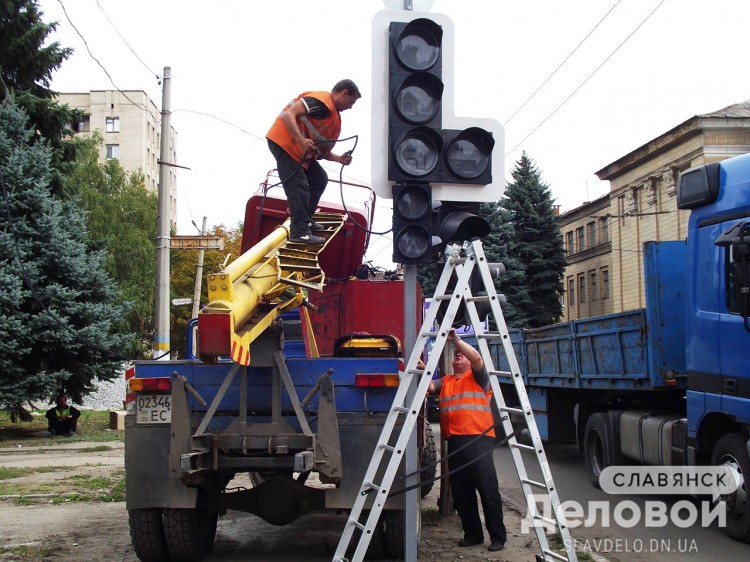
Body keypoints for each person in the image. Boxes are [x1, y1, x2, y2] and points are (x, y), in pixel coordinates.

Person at [428, 329, 507, 552]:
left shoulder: (478, 377)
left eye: (461, 354)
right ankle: (473, 534)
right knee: (462, 493)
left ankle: (498, 537)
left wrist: (456, 341)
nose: (458, 356)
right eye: (455, 355)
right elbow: (428, 387)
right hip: (454, 442)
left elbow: (478, 358)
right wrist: (420, 369)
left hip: (478, 441)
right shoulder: (446, 381)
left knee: (487, 489)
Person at [266, 79, 361, 244]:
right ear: (344, 92)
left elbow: (321, 151)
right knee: (299, 185)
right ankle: (299, 232)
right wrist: (301, 140)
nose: (351, 107)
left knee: (319, 179)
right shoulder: (321, 101)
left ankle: (306, 220)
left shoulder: (332, 117)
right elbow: (290, 115)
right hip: (285, 143)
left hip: (299, 152)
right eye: (351, 101)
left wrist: (339, 159)